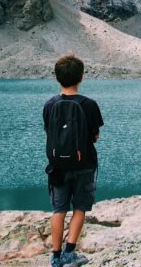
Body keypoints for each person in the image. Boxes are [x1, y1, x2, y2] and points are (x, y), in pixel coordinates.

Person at [43, 54, 103, 267]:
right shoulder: (89, 104)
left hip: (58, 167)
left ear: (57, 78)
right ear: (81, 77)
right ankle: (70, 253)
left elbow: (49, 132)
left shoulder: (50, 104)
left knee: (58, 210)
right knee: (80, 207)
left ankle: (55, 256)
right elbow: (95, 135)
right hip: (84, 165)